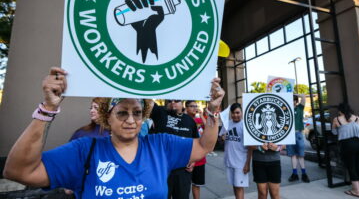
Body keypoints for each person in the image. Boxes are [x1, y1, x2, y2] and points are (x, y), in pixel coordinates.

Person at [3, 67, 225, 199]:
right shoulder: (85, 150)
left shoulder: (160, 145)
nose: (130, 120)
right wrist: (48, 109)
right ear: (106, 117)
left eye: (137, 113)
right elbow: (18, 171)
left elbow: (204, 146)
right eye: (121, 113)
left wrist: (214, 110)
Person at [147, 98, 200, 199]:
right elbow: (147, 99)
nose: (172, 103)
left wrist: (193, 160)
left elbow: (196, 142)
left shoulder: (189, 120)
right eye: (169, 101)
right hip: (161, 169)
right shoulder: (160, 113)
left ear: (182, 103)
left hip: (182, 170)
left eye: (176, 101)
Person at [332, 103, 359, 197]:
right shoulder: (356, 118)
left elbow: (334, 132)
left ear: (340, 110)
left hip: (347, 145)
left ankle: (356, 191)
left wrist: (342, 129)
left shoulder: (336, 119)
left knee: (351, 167)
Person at [219, 103, 251, 199]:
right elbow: (220, 139)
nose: (235, 115)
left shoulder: (246, 125)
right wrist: (221, 138)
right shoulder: (227, 123)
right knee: (234, 185)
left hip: (240, 162)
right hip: (229, 161)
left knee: (239, 187)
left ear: (241, 112)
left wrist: (247, 164)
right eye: (233, 113)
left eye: (237, 112)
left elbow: (250, 147)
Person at [184, 100, 206, 199]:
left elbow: (209, 128)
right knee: (184, 186)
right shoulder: (183, 121)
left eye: (196, 106)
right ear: (186, 108)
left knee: (197, 185)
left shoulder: (199, 121)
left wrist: (201, 115)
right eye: (192, 106)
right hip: (186, 159)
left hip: (200, 159)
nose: (195, 108)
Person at [287, 94, 310, 183]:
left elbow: (303, 97)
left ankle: (304, 174)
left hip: (298, 133)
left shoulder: (299, 108)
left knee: (300, 155)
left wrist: (294, 94)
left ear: (296, 101)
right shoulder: (286, 110)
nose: (290, 101)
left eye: (292, 100)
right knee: (292, 155)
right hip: (289, 134)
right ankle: (295, 174)